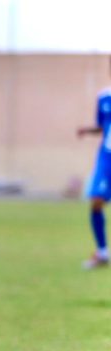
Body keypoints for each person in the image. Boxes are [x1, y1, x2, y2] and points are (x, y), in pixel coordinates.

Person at [77, 60, 111, 269]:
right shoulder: (104, 97)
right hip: (107, 157)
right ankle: (102, 252)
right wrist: (87, 130)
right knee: (96, 200)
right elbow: (102, 126)